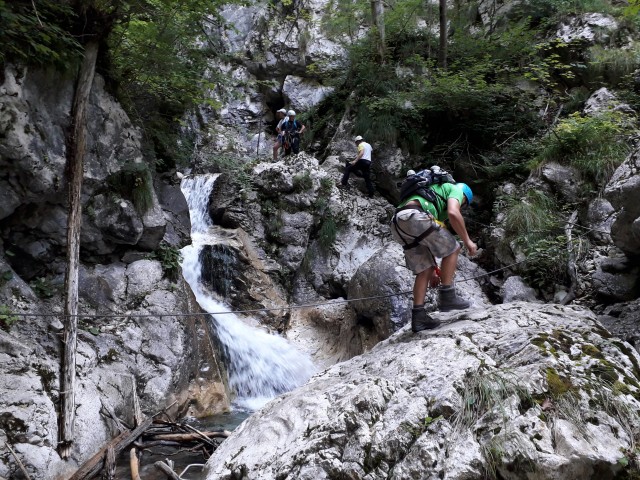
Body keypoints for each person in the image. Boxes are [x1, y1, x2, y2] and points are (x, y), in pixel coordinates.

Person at [390, 178, 477, 332]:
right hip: (415, 216)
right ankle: (447, 296)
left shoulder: (433, 198)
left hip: (398, 223)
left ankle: (419, 318)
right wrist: (468, 241)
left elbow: (429, 241)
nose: (460, 205)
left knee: (425, 270)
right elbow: (453, 212)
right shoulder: (456, 189)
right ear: (464, 199)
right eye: (462, 204)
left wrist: (435, 271)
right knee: (454, 248)